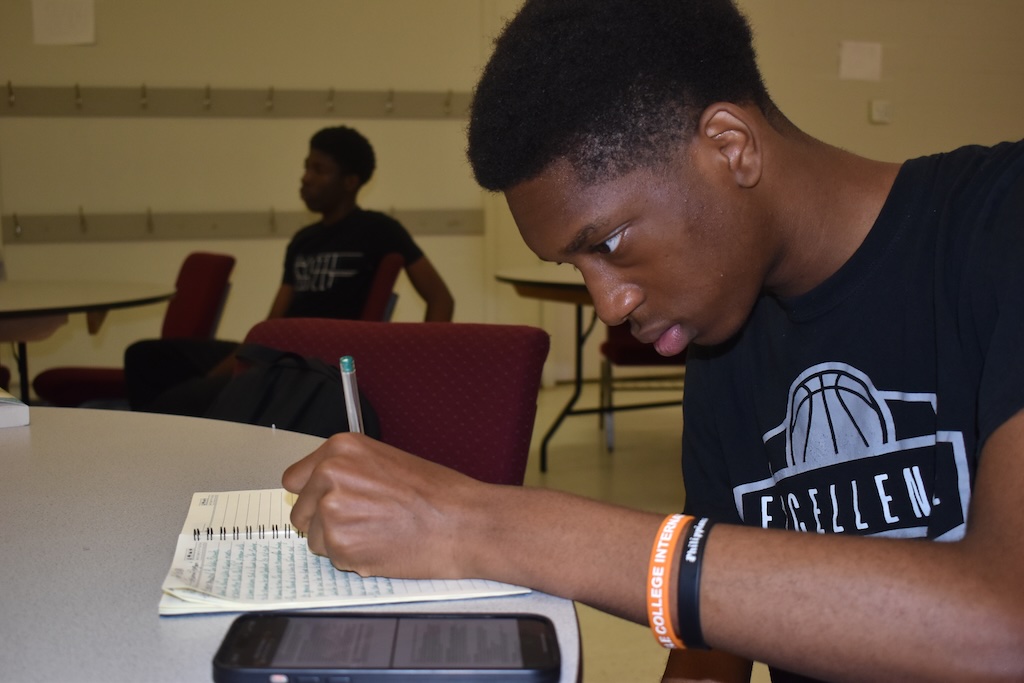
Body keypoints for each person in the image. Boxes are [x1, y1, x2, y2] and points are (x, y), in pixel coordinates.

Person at [280, 2, 1024, 681]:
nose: (608, 305)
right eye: (577, 267)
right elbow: (713, 644)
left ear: (729, 146)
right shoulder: (725, 339)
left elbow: (1003, 624)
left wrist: (485, 524)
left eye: (608, 243)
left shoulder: (1000, 223)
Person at [126, 125, 454, 414]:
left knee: (177, 401)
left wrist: (419, 367)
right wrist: (236, 361)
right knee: (144, 357)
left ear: (350, 182)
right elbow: (274, 322)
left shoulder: (379, 230)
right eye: (306, 167)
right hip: (277, 350)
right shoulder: (303, 240)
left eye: (319, 170)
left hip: (309, 366)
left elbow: (441, 298)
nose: (305, 177)